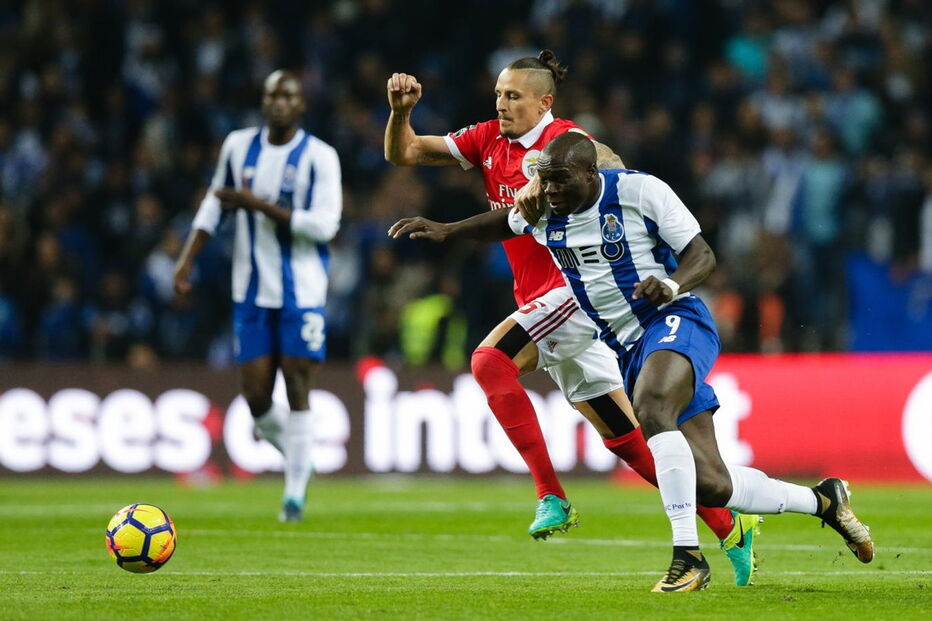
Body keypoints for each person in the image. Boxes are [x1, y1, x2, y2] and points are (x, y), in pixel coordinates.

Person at [389, 131, 874, 592]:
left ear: (590, 175)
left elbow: (703, 256)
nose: (551, 189)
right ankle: (823, 500)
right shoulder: (543, 206)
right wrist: (447, 229)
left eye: (561, 180)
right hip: (626, 346)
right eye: (547, 179)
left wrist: (671, 285)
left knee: (652, 406)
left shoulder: (641, 192)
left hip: (675, 317)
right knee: (713, 484)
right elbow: (505, 223)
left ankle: (688, 558)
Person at [385, 51, 760, 586]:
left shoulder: (570, 147)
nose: (502, 104)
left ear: (545, 101)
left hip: (574, 294)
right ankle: (730, 527)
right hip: (541, 301)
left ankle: (551, 496)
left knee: (490, 360)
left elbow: (619, 189)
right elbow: (405, 153)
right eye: (498, 94)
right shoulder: (486, 140)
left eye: (513, 96)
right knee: (629, 439)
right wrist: (401, 112)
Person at [174, 70, 342, 522]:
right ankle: (298, 455)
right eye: (271, 95)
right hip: (249, 288)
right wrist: (188, 258)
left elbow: (326, 226)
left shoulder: (320, 157)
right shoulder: (237, 145)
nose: (278, 103)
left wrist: (260, 206)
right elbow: (216, 201)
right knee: (255, 396)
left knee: (298, 383)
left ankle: (293, 495)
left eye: (288, 95)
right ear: (263, 101)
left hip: (302, 289)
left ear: (301, 105)